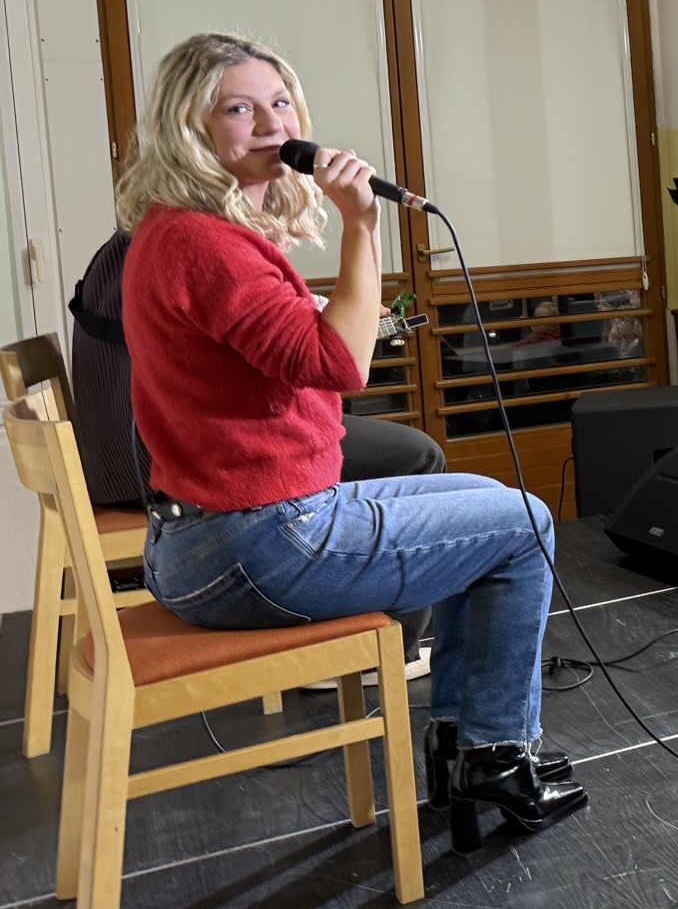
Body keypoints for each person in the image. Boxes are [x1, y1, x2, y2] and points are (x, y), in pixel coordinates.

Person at [122, 32, 584, 851]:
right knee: (526, 525)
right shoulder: (206, 243)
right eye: (239, 109)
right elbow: (342, 364)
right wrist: (363, 224)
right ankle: (494, 754)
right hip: (259, 546)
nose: (273, 124)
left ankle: (463, 746)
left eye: (280, 103)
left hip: (203, 540)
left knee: (487, 501)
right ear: (189, 127)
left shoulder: (180, 230)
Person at [67, 226, 447, 678]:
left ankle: (344, 623)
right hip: (176, 465)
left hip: (115, 459)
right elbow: (323, 358)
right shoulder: (191, 244)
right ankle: (372, 656)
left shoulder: (126, 249)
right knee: (416, 456)